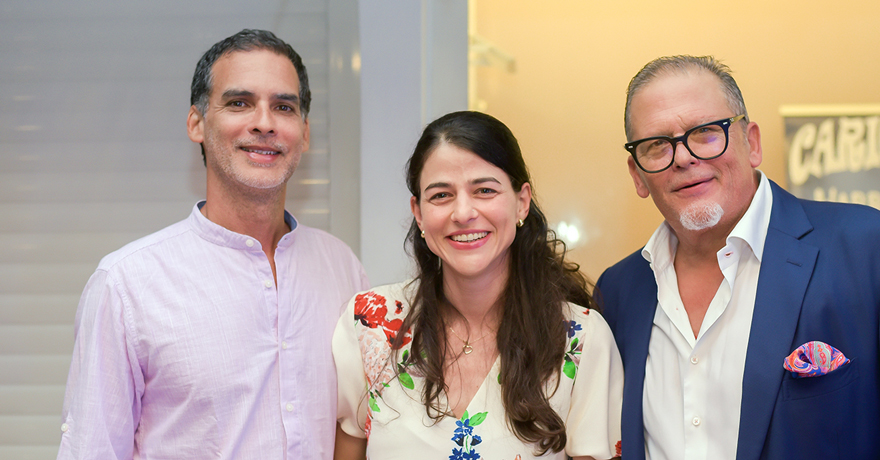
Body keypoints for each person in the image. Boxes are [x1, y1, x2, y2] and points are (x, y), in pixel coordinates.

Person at [56, 29, 369, 459]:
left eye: (284, 106)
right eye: (239, 103)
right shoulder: (126, 285)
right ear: (197, 123)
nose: (264, 122)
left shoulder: (343, 271)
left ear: (305, 132)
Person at [596, 55, 880, 459]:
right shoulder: (619, 292)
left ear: (753, 143)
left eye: (706, 132)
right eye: (657, 145)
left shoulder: (865, 248)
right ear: (637, 174)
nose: (683, 157)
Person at [332, 111, 623, 460]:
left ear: (522, 201)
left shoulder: (581, 338)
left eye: (484, 190)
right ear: (419, 212)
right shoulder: (370, 325)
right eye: (441, 195)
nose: (463, 212)